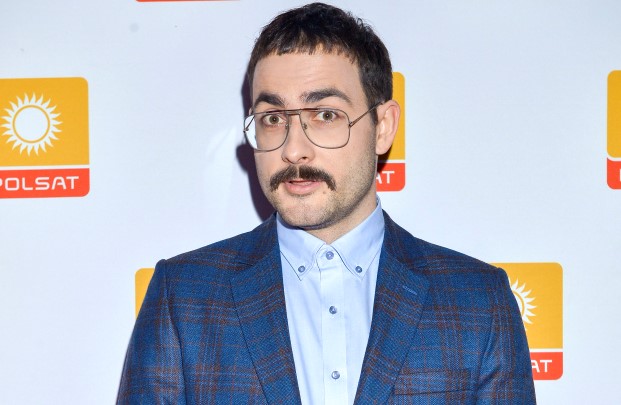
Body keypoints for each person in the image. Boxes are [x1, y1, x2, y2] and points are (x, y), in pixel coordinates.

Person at [117, 3, 536, 404]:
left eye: (325, 115)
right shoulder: (184, 298)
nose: (293, 150)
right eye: (273, 119)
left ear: (383, 127)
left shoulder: (478, 303)